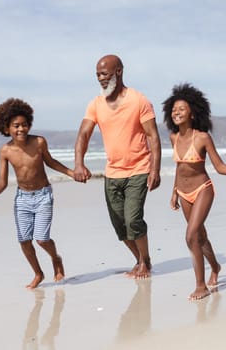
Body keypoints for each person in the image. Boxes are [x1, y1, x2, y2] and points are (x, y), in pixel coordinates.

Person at [73, 54, 161, 279]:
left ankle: (145, 260)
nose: (101, 79)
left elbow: (152, 136)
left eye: (104, 74)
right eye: (98, 75)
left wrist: (155, 170)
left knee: (133, 219)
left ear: (119, 72)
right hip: (112, 173)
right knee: (120, 226)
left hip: (138, 169)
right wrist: (78, 164)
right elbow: (83, 134)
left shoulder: (139, 100)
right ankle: (140, 259)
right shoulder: (96, 104)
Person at [0, 98, 73, 289]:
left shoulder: (39, 142)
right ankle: (38, 273)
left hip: (43, 196)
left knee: (41, 238)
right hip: (22, 199)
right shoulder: (5, 151)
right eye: (16, 126)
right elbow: (3, 182)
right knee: (24, 240)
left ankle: (56, 259)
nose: (21, 129)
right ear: (6, 128)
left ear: (29, 124)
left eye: (24, 124)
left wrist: (71, 173)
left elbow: (51, 162)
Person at [163, 83, 226, 300]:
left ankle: (201, 286)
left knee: (191, 235)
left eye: (181, 109)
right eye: (173, 110)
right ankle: (215, 266)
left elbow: (219, 166)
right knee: (200, 236)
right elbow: (180, 168)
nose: (176, 113)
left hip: (202, 190)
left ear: (192, 112)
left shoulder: (202, 137)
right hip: (183, 192)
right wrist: (174, 192)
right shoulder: (174, 138)